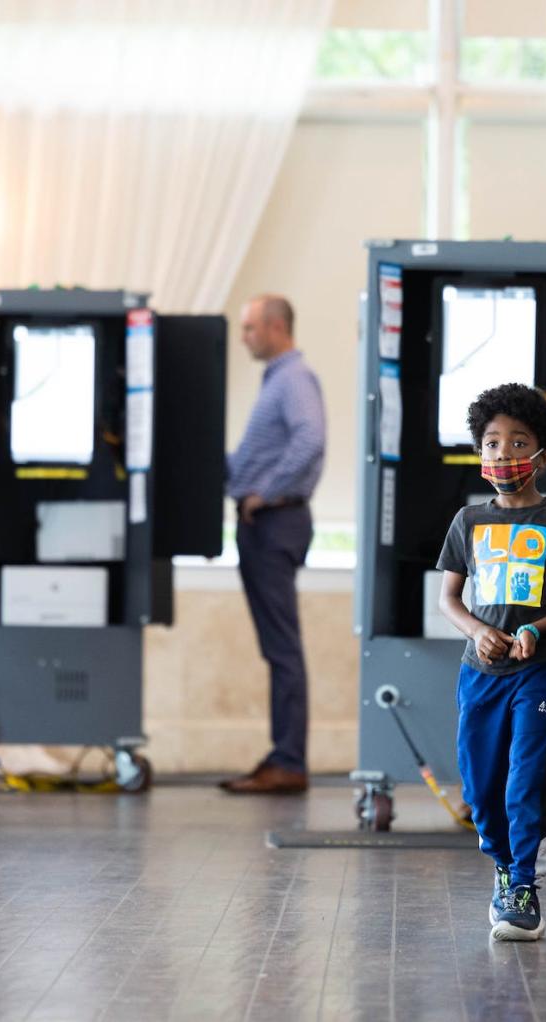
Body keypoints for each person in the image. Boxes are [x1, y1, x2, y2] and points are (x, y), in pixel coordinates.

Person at [437, 383, 546, 942]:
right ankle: (504, 860)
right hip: (480, 675)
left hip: (538, 671)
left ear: (541, 454)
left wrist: (536, 627)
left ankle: (522, 886)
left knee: (524, 779)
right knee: (481, 786)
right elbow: (450, 600)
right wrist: (480, 631)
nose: (502, 454)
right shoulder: (468, 522)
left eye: (517, 442)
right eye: (491, 442)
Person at [219, 295, 326, 795]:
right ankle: (283, 756)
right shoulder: (277, 381)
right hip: (266, 522)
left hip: (275, 523)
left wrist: (266, 492)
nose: (243, 338)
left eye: (249, 328)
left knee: (283, 649)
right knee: (278, 648)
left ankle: (289, 761)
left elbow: (310, 440)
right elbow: (254, 457)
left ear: (276, 327)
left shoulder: (293, 379)